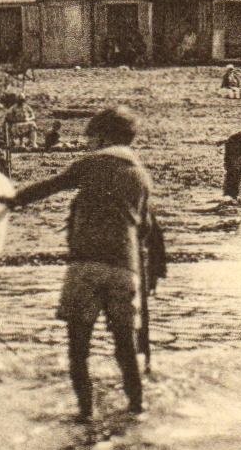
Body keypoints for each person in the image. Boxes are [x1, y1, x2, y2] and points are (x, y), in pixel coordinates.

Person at [10, 106, 164, 420]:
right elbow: (147, 229)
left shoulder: (90, 164)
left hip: (86, 265)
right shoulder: (141, 175)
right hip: (126, 268)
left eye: (90, 137)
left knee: (79, 346)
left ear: (103, 137)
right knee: (124, 343)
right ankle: (136, 406)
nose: (87, 143)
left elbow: (48, 187)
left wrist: (8, 200)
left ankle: (85, 413)